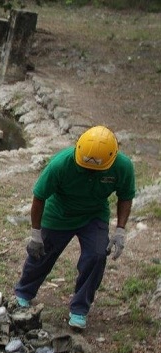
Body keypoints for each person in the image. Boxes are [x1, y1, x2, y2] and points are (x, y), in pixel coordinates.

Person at [14, 125, 136, 329]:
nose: (89, 170)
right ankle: (23, 292)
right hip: (59, 213)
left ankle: (80, 308)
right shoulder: (61, 163)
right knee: (42, 253)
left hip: (94, 215)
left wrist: (120, 230)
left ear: (112, 158)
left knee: (97, 255)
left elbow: (126, 196)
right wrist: (36, 234)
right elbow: (39, 196)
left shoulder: (123, 167)